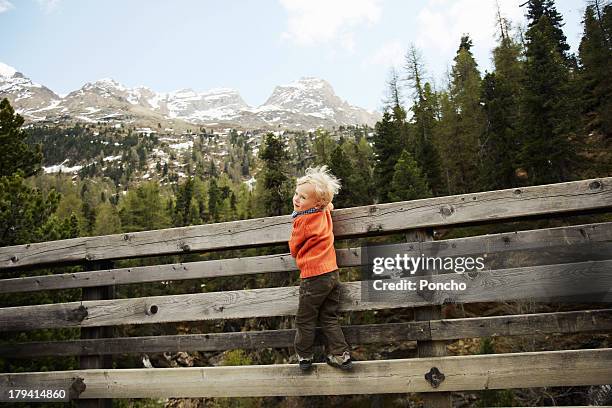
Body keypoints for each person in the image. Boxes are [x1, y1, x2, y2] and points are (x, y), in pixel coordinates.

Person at [289, 165, 353, 372]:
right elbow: (329, 206)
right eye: (297, 194)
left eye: (303, 197)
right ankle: (340, 355)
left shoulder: (302, 221)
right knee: (328, 316)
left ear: (316, 203)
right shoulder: (323, 211)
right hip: (331, 274)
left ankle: (304, 356)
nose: (297, 199)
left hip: (313, 276)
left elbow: (294, 248)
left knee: (305, 318)